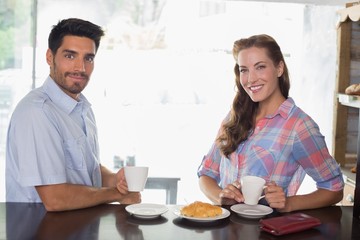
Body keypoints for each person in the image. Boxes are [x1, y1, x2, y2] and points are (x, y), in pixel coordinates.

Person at [197, 34, 344, 212]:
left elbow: (334, 188)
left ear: (279, 68)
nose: (250, 79)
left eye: (260, 67)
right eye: (244, 70)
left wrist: (289, 204)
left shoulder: (299, 126)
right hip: (225, 231)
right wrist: (221, 197)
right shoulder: (234, 117)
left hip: (266, 232)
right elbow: (206, 174)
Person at [6, 18, 141, 211]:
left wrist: (115, 180)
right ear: (49, 57)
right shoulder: (37, 112)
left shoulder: (82, 108)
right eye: (70, 56)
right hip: (39, 231)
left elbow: (85, 171)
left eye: (88, 58)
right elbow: (55, 199)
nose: (81, 68)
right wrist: (117, 194)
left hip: (78, 228)